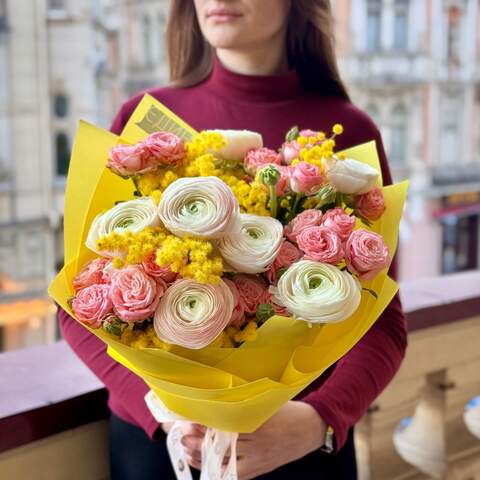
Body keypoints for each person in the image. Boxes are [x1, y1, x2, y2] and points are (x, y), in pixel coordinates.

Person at [58, 0, 407, 478]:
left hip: (298, 452)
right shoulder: (144, 124)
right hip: (161, 446)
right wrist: (162, 410)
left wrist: (318, 420)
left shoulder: (348, 134)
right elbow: (79, 302)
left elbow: (381, 322)